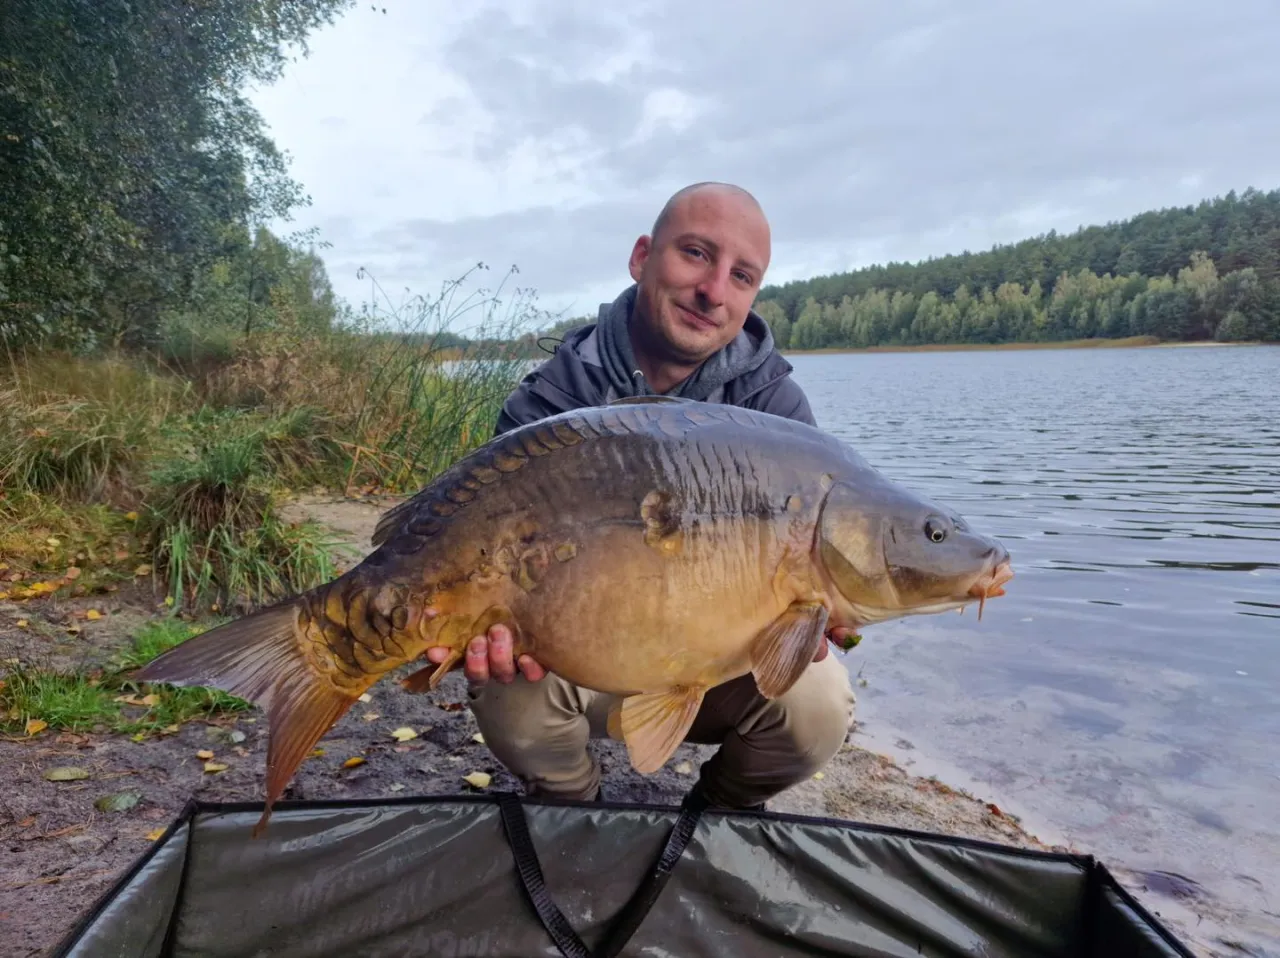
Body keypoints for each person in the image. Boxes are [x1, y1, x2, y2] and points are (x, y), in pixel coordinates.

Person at [424, 181, 857, 809]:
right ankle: (578, 812)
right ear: (641, 257)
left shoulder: (775, 408)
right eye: (697, 254)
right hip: (580, 659)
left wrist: (809, 620)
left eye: (742, 276)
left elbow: (800, 588)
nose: (714, 291)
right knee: (509, 693)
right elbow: (480, 551)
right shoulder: (552, 398)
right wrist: (485, 626)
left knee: (818, 704)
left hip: (715, 659)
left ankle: (720, 815)